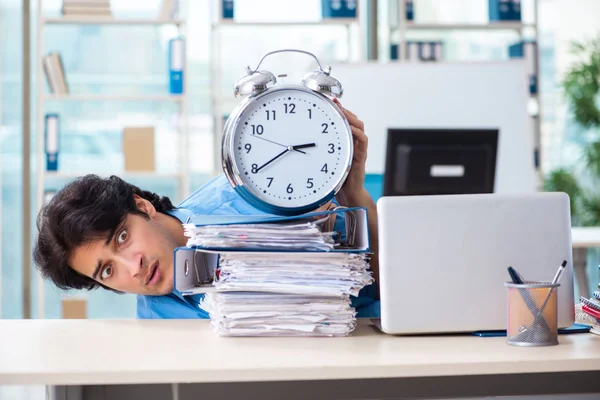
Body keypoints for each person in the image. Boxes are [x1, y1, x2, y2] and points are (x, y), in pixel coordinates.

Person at [33, 99, 380, 319]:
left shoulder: (252, 192)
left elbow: (377, 283)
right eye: (107, 271)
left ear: (142, 206)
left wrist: (353, 194)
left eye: (122, 237)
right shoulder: (155, 325)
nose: (132, 267)